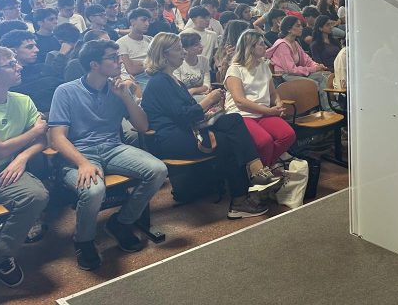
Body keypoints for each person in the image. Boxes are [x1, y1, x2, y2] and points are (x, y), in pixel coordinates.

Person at [48, 40, 168, 271]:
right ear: (94, 64)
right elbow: (58, 138)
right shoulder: (66, 91)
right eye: (112, 58)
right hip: (79, 154)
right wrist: (82, 163)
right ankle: (83, 240)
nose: (119, 62)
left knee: (158, 170)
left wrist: (125, 96)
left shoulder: (117, 89)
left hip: (113, 147)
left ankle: (121, 222)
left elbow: (142, 126)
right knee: (94, 190)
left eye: (118, 56)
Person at [140, 33, 279, 218]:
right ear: (164, 54)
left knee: (234, 119)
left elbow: (189, 113)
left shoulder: (174, 80)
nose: (183, 52)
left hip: (186, 130)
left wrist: (211, 109)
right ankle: (240, 199)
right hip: (172, 138)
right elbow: (183, 116)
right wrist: (208, 100)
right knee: (229, 141)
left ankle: (256, 170)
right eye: (178, 49)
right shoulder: (159, 82)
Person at [0, 45, 50, 288]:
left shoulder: (22, 100)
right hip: (3, 161)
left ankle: (2, 256)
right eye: (11, 64)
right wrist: (36, 130)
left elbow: (43, 139)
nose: (19, 67)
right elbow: (0, 149)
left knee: (36, 195)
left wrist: (22, 157)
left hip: (5, 171)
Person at [224, 30, 295, 166]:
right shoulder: (235, 69)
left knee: (288, 135)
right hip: (242, 114)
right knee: (264, 141)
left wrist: (278, 103)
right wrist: (269, 111)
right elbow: (240, 101)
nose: (265, 47)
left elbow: (273, 93)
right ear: (250, 47)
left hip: (263, 112)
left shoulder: (263, 65)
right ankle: (265, 169)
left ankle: (264, 167)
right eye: (261, 44)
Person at [266, 16, 331, 110]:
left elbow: (307, 59)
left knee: (324, 76)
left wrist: (316, 65)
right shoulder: (282, 45)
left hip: (295, 74)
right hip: (284, 76)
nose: (301, 28)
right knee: (312, 84)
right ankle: (317, 109)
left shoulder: (295, 43)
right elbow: (290, 70)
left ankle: (327, 108)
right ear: (289, 29)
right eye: (298, 26)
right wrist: (313, 69)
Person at [116, 8, 153, 88]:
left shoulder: (150, 40)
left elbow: (160, 62)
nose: (147, 24)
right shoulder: (121, 43)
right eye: (144, 20)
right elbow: (131, 69)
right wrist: (151, 63)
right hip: (136, 79)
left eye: (149, 21)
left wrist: (136, 62)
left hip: (154, 75)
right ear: (132, 22)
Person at [174, 32, 212, 99]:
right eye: (196, 45)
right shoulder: (178, 63)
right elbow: (179, 89)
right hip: (185, 98)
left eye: (200, 43)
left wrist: (193, 90)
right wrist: (201, 90)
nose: (201, 46)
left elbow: (207, 85)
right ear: (185, 49)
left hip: (202, 96)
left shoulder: (204, 60)